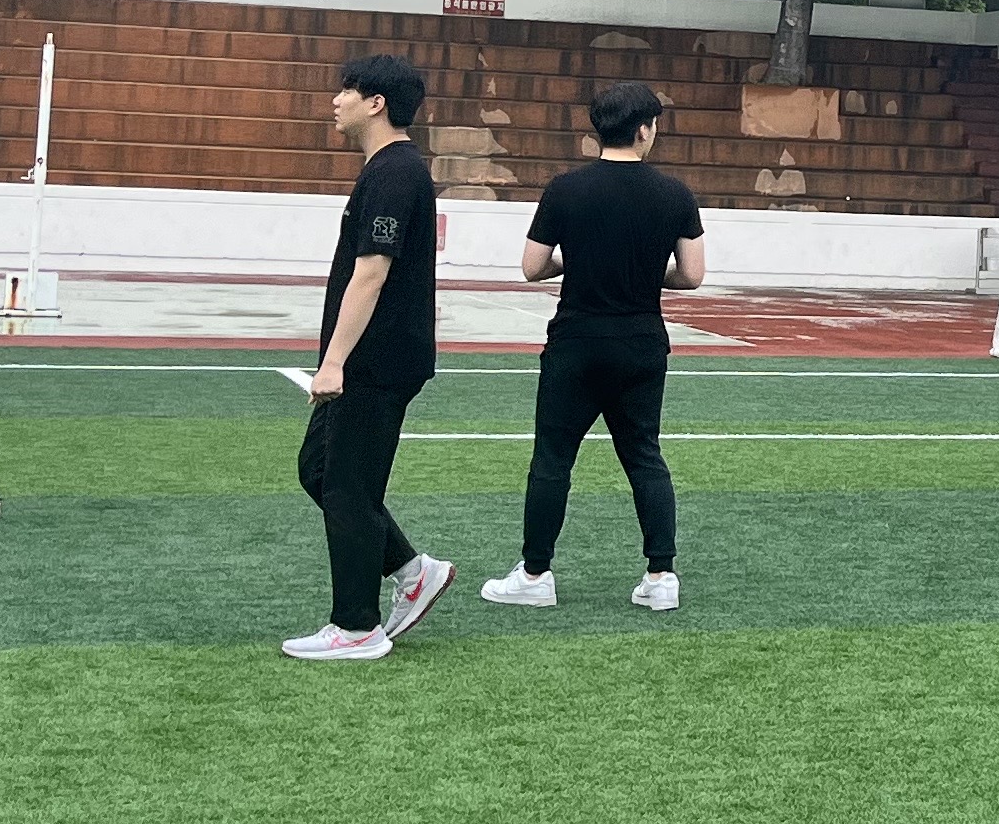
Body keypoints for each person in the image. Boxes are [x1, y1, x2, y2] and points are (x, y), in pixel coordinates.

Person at [484, 80, 706, 614]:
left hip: (577, 342)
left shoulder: (565, 189)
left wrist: (581, 262)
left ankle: (535, 574)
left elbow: (532, 267)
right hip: (641, 343)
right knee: (644, 456)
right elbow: (692, 275)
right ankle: (661, 575)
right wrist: (644, 272)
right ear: (644, 129)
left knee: (553, 459)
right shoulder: (675, 193)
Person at [283, 55, 455, 663]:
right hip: (371, 357)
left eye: (347, 90)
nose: (337, 100)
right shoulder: (385, 170)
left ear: (376, 103)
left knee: (349, 489)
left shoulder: (396, 173)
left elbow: (372, 273)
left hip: (377, 360)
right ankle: (412, 570)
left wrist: (334, 362)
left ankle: (357, 626)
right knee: (319, 471)